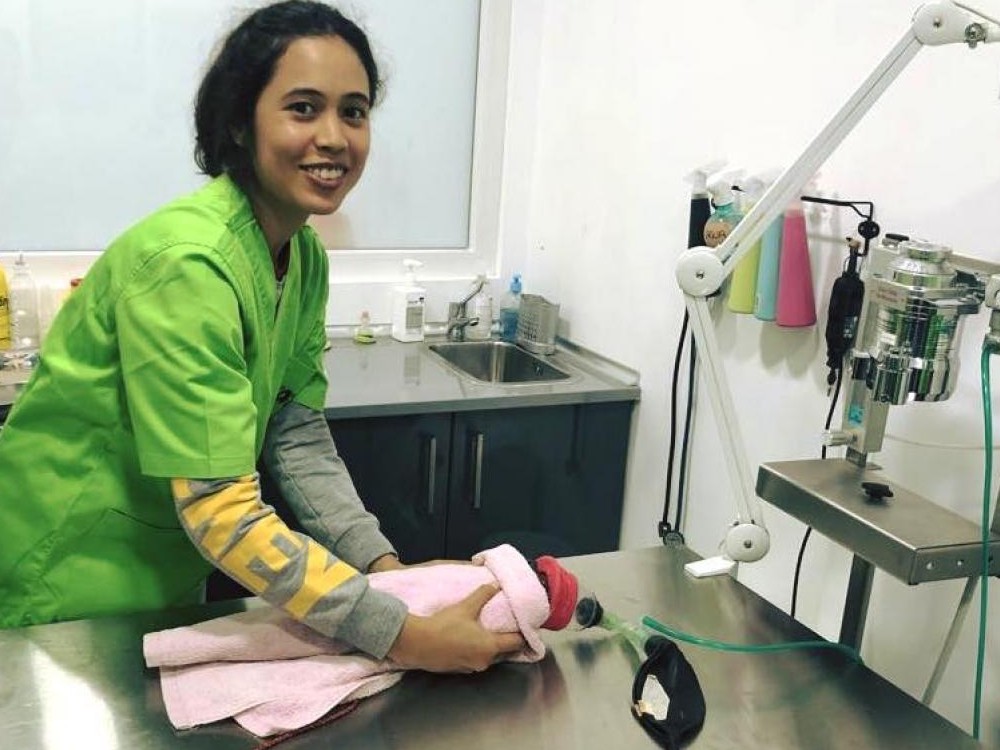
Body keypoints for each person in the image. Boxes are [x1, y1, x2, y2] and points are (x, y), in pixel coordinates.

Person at [0, 0, 524, 673]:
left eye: (354, 111)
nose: (334, 137)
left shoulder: (302, 259)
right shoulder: (187, 263)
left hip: (164, 571)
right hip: (61, 573)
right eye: (303, 108)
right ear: (239, 123)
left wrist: (385, 571)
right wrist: (404, 636)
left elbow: (293, 429)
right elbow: (221, 508)